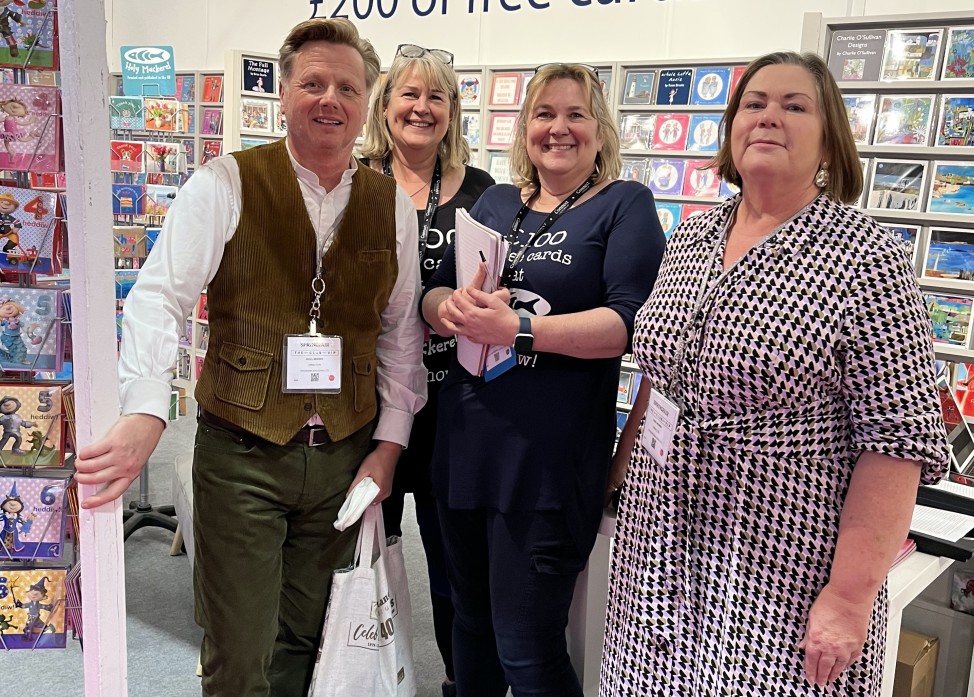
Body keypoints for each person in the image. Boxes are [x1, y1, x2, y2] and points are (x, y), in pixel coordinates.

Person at [74, 18, 426, 697]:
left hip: (343, 460)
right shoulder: (224, 183)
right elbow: (157, 298)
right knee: (238, 652)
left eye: (347, 88)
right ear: (285, 92)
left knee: (310, 639)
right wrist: (147, 408)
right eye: (313, 84)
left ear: (368, 103)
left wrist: (389, 445)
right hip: (242, 456)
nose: (330, 99)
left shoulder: (392, 208)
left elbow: (400, 336)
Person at [600, 51, 949, 696]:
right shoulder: (693, 237)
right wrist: (619, 484)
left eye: (795, 106)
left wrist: (849, 598)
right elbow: (658, 375)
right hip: (656, 549)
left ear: (828, 139)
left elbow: (896, 442)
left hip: (779, 566)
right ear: (732, 128)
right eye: (754, 103)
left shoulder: (867, 259)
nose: (769, 117)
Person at [421, 63, 665, 696]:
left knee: (527, 648)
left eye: (575, 114)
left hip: (549, 460)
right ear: (524, 126)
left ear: (599, 128)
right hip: (466, 441)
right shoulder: (497, 201)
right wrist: (446, 307)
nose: (558, 128)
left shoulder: (625, 204)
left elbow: (628, 323)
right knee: (467, 628)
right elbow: (444, 287)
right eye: (544, 114)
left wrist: (520, 332)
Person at [360, 42, 494, 697]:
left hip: (453, 411)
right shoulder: (352, 180)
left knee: (454, 567)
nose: (421, 107)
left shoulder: (483, 193)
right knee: (367, 559)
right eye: (408, 95)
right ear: (385, 107)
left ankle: (458, 681)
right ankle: (368, 676)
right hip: (368, 406)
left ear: (452, 110)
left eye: (435, 96)